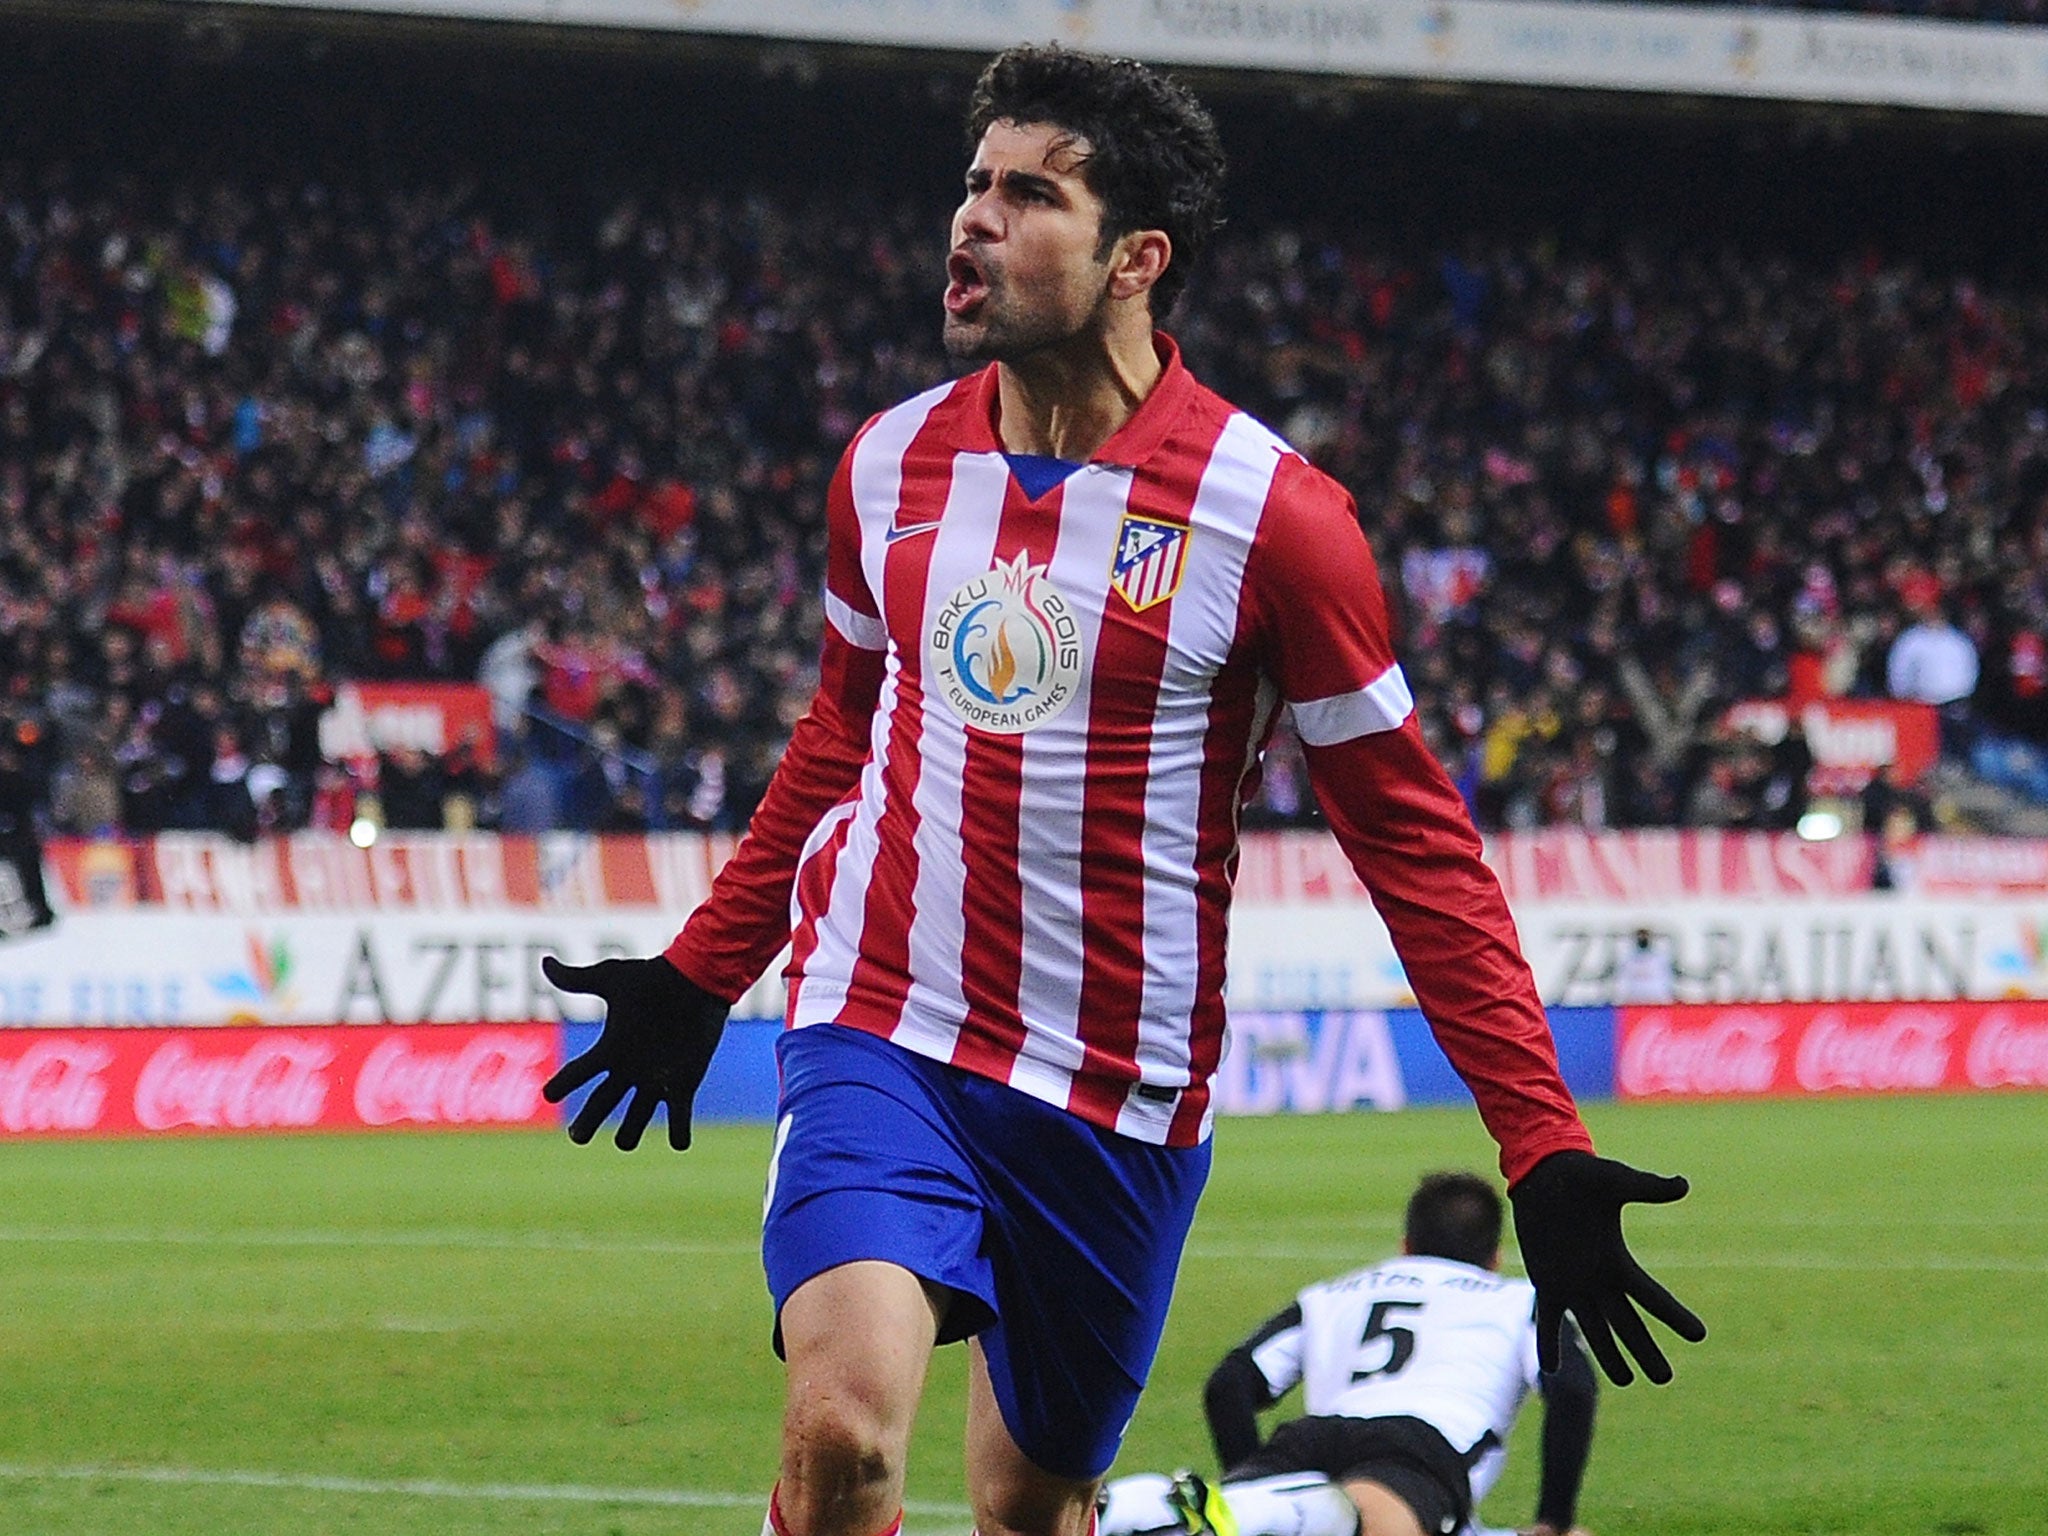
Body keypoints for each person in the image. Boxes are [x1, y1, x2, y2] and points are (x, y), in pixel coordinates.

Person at [541, 45, 1703, 1536]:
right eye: (974, 183)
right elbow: (841, 740)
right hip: (881, 1023)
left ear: (1137, 258)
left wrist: (1538, 1139)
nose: (974, 219)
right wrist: (708, 971)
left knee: (1035, 1503)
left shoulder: (1275, 523)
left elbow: (1419, 856)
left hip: (1117, 1092)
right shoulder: (888, 469)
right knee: (840, 1438)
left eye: (1031, 195)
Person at [1097, 1173, 1597, 1536]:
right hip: (1418, 1447)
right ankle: (1252, 1511)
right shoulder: (1520, 1300)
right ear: (1494, 1258)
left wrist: (1249, 1474)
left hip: (1312, 1438)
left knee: (1262, 1509)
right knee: (1368, 1521)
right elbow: (1573, 1387)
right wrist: (1553, 1520)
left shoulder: (1334, 1293)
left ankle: (1186, 1505)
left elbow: (1230, 1384)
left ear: (1406, 1245)